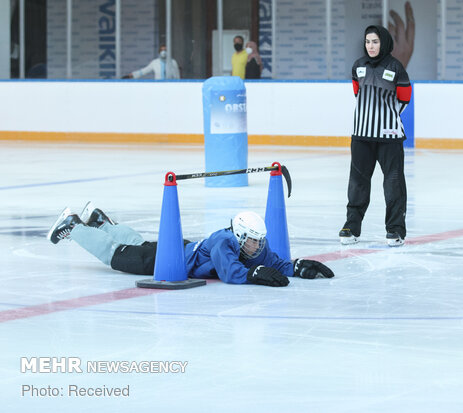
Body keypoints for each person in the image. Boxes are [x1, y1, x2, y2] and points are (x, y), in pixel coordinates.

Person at [47, 202, 334, 287]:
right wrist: (254, 274)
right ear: (241, 236)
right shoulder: (225, 242)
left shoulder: (252, 244)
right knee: (118, 256)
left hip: (179, 251)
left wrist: (296, 266)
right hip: (173, 261)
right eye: (254, 241)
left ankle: (102, 223)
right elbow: (230, 273)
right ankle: (74, 225)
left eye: (260, 241)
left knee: (138, 243)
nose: (258, 247)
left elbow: (273, 262)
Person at [339, 25, 411, 247]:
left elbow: (404, 99)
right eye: (368, 41)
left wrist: (387, 119)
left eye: (375, 41)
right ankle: (351, 226)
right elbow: (357, 94)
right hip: (361, 136)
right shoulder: (358, 66)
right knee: (357, 183)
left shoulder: (396, 67)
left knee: (393, 184)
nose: (371, 46)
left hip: (389, 137)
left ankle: (395, 230)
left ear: (385, 43)